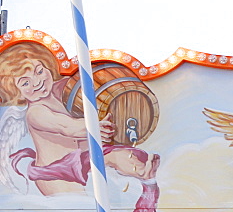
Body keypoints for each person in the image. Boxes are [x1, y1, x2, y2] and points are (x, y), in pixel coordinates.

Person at [0, 41, 159, 196]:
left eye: (39, 71)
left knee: (121, 156)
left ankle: (146, 179)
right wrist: (94, 126)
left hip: (84, 161)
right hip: (57, 174)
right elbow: (67, 127)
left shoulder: (63, 87)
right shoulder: (35, 113)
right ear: (16, 92)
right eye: (25, 82)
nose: (37, 82)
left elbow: (94, 86)